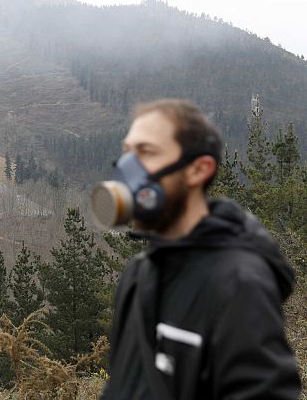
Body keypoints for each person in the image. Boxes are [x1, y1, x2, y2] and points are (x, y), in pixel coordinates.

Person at [97, 99, 301, 399]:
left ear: (198, 170)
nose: (128, 168)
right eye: (128, 152)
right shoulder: (138, 274)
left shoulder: (239, 283)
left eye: (146, 152)